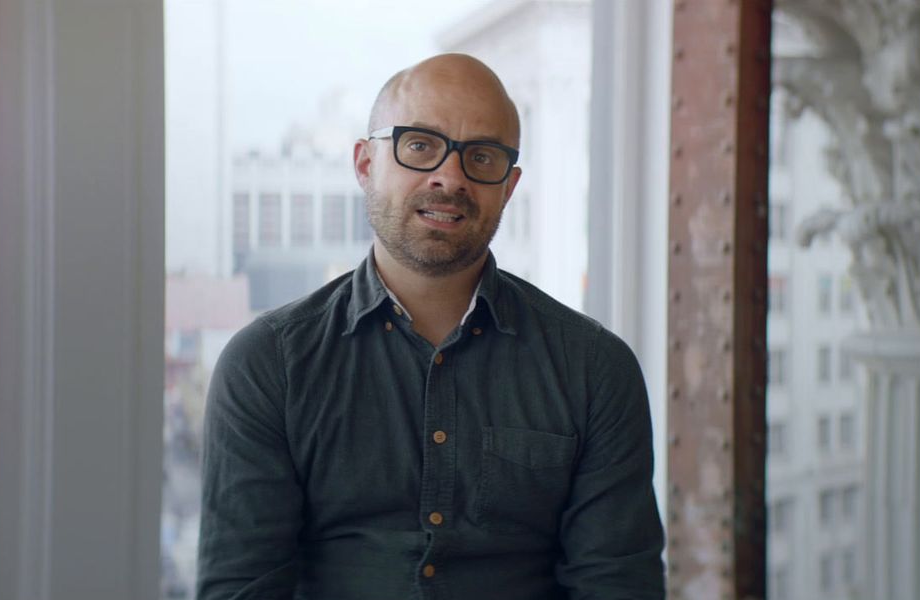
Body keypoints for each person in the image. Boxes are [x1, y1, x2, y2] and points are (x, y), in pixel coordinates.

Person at [197, 53, 664, 600]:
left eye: (482, 157)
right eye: (419, 145)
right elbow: (242, 589)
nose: (450, 177)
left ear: (508, 187)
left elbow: (616, 587)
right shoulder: (268, 364)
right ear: (366, 164)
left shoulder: (594, 369)